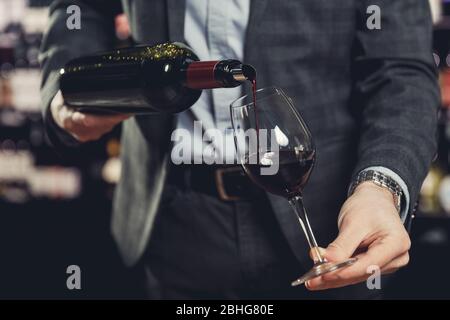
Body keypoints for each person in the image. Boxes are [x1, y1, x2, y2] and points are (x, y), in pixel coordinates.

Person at [40, 0, 439, 299]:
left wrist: (380, 185)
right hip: (173, 217)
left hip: (330, 222)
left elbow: (400, 70)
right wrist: (70, 90)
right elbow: (83, 9)